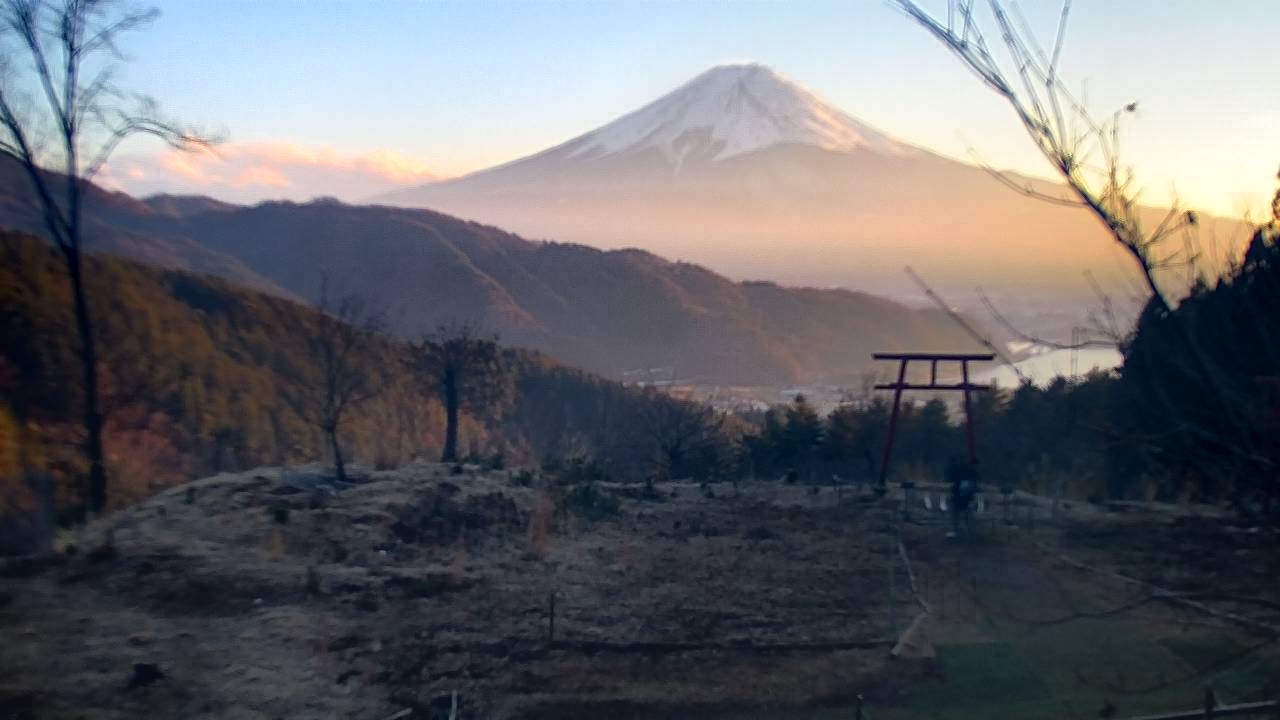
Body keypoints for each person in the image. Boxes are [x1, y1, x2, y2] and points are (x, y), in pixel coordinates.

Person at [945, 455, 978, 538]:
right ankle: (961, 530)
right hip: (961, 497)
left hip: (964, 498)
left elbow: (973, 483)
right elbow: (950, 478)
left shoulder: (967, 471)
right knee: (958, 514)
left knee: (964, 515)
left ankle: (961, 530)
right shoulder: (962, 470)